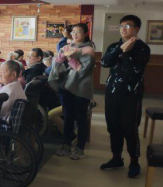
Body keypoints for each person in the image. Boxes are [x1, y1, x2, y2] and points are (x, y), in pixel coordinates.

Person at [100, 15, 151, 178]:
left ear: (136, 29)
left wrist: (126, 53)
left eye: (128, 25)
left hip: (131, 95)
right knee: (113, 127)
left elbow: (134, 70)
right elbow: (104, 62)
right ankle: (116, 158)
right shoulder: (115, 46)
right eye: (121, 25)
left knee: (130, 129)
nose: (123, 28)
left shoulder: (142, 48)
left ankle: (134, 161)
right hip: (112, 93)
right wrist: (120, 49)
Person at [49, 23, 95, 160]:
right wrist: (61, 56)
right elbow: (57, 65)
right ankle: (66, 145)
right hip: (66, 86)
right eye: (73, 31)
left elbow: (82, 70)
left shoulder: (88, 49)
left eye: (79, 31)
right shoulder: (67, 47)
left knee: (81, 118)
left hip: (81, 88)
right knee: (68, 117)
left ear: (86, 33)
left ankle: (80, 148)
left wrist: (70, 57)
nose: (75, 34)